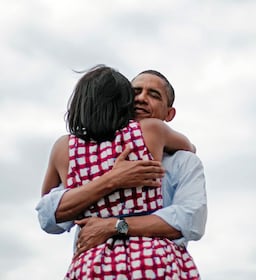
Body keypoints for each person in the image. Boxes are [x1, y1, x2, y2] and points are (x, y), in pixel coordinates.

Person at [36, 67, 207, 276]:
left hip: (95, 267)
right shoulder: (150, 134)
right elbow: (47, 214)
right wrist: (112, 179)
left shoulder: (75, 155)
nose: (142, 98)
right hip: (153, 265)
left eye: (153, 95)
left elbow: (190, 220)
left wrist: (114, 225)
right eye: (135, 92)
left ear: (169, 113)